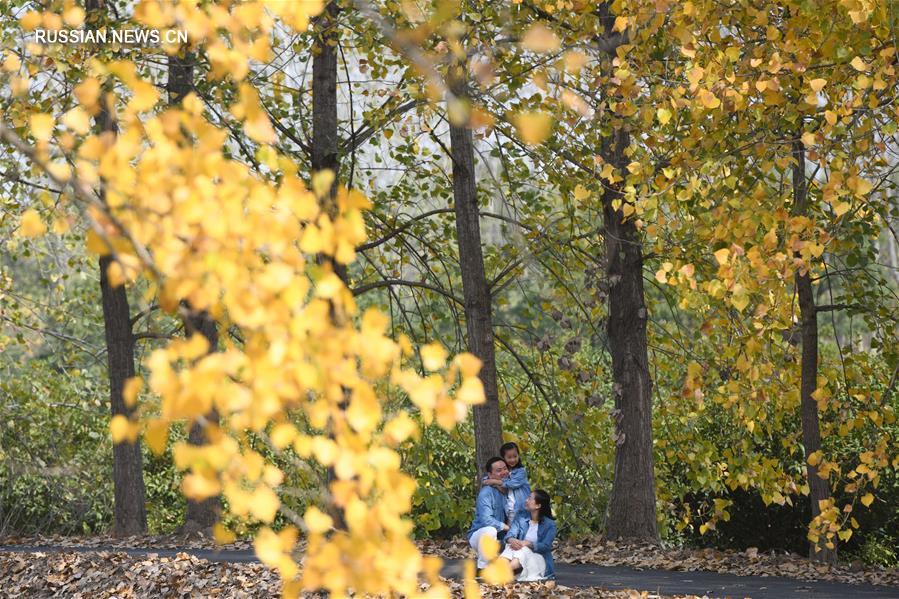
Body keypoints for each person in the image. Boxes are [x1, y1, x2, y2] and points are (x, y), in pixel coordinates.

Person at [499, 489, 557, 581]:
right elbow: (510, 535)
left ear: (538, 505)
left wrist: (528, 543)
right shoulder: (521, 517)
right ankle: (499, 570)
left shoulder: (550, 524)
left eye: (530, 498)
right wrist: (512, 540)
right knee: (511, 546)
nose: (526, 500)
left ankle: (501, 573)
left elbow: (546, 546)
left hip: (538, 559)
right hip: (520, 555)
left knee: (523, 549)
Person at [467, 456, 510, 569]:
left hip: (503, 539)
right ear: (490, 475)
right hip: (481, 535)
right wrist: (507, 527)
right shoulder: (486, 493)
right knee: (490, 530)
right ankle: (482, 568)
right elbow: (486, 520)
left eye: (505, 469)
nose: (504, 472)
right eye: (499, 470)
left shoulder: (511, 490)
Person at [482, 442, 531, 520]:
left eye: (515, 456)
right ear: (503, 458)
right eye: (509, 457)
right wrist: (492, 482)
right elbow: (487, 479)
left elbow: (512, 484)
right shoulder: (506, 472)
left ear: (518, 455)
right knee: (512, 531)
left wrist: (495, 482)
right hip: (510, 510)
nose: (513, 459)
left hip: (522, 509)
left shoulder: (521, 471)